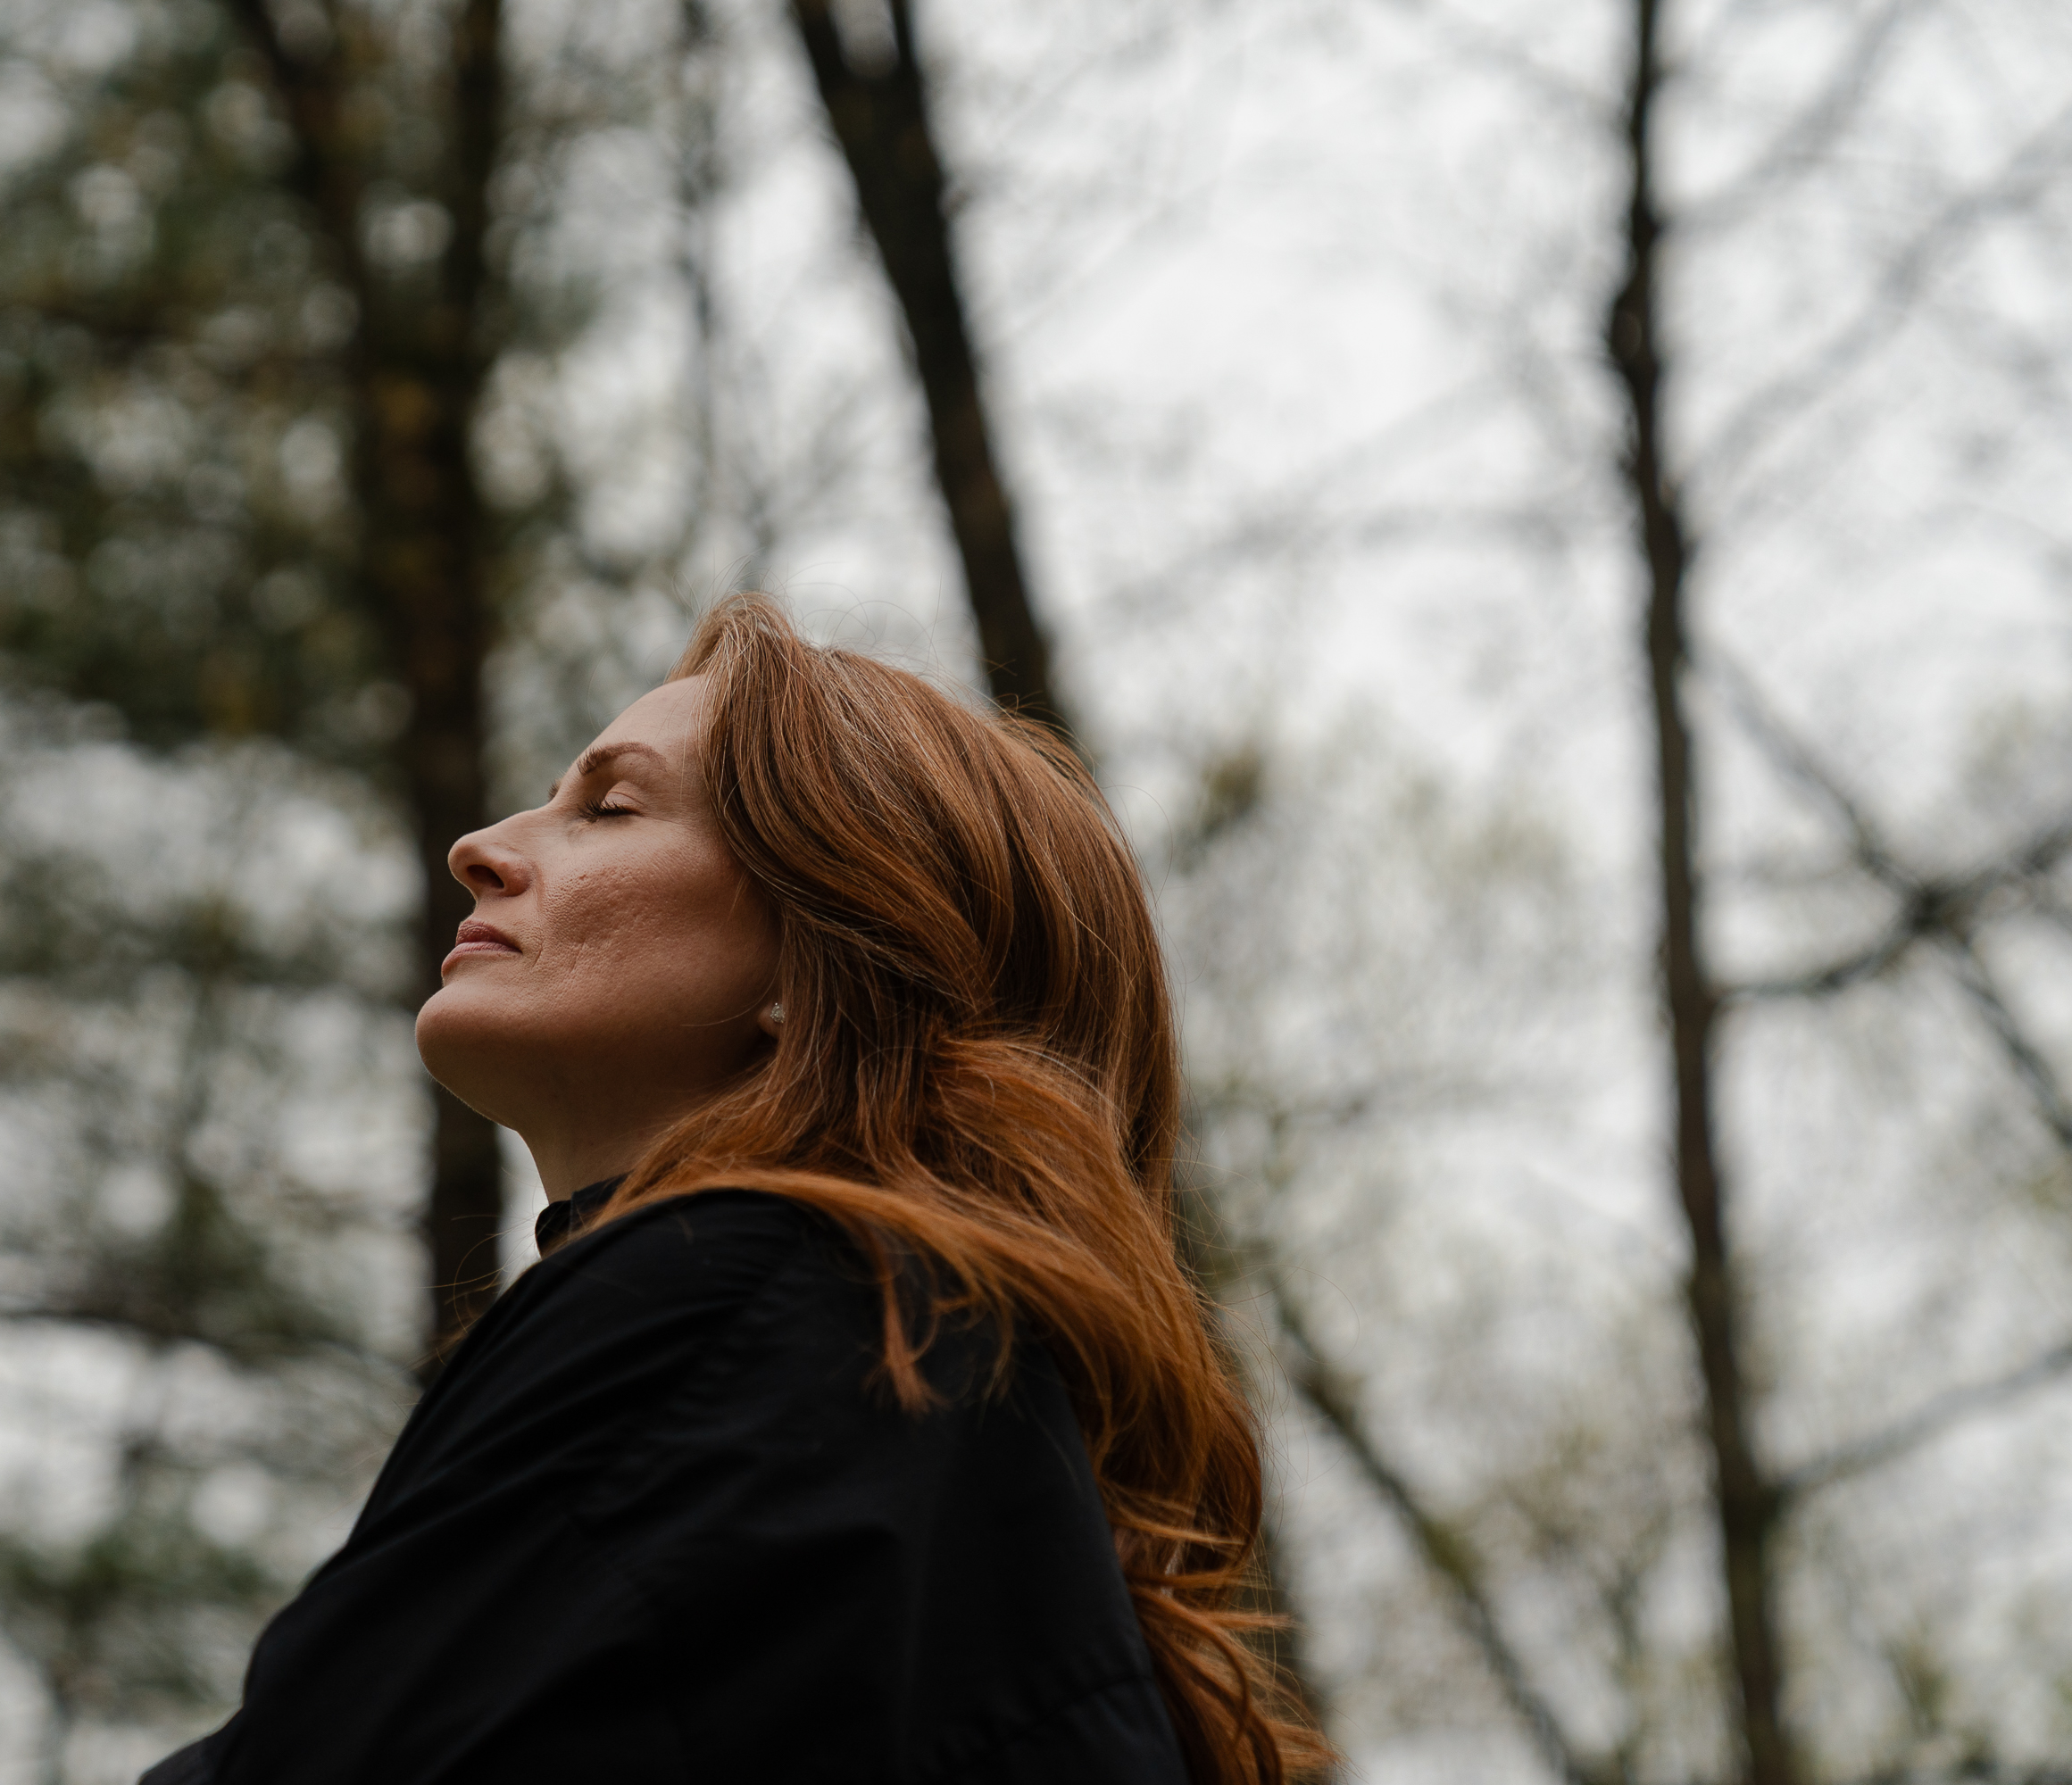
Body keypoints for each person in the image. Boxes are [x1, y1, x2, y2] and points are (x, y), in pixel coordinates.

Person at [142, 596, 1328, 1784]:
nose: (484, 847)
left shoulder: (767, 1303)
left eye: (609, 807)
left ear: (821, 960)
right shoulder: (897, 1377)